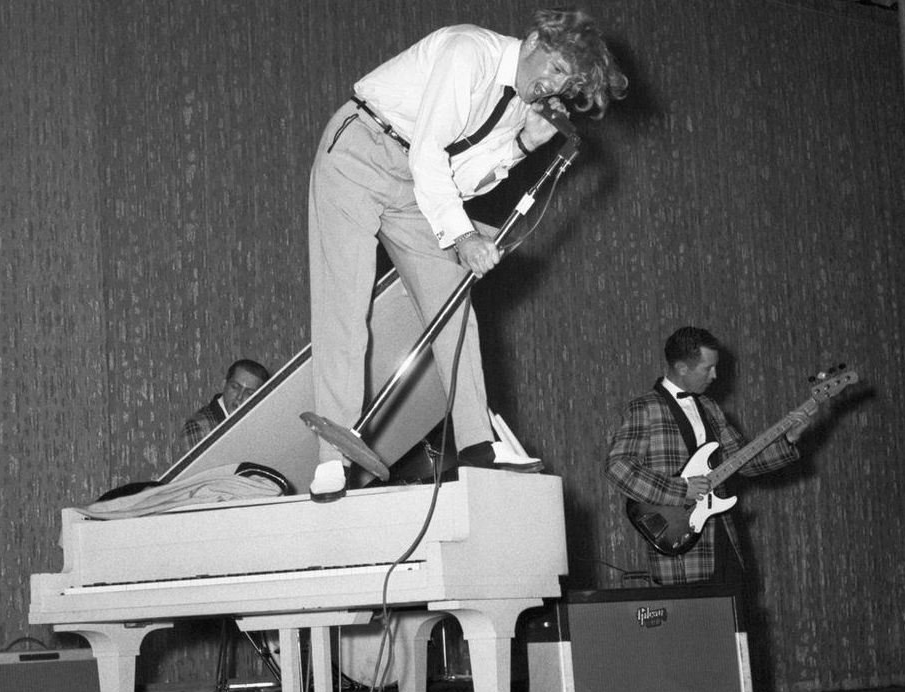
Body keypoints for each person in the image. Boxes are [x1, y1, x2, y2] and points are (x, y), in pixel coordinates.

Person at [307, 7, 628, 501]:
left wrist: (524, 143)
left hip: (415, 184)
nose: (555, 87)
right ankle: (333, 456)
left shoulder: (521, 104)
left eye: (567, 84)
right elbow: (429, 150)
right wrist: (462, 237)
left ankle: (477, 444)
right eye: (557, 68)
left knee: (453, 304)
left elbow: (464, 181)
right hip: (361, 148)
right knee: (345, 305)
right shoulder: (469, 51)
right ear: (535, 41)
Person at [603, 326, 814, 587]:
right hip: (680, 543)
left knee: (734, 611)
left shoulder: (711, 408)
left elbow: (744, 462)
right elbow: (618, 468)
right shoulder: (645, 408)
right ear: (682, 368)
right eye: (708, 368)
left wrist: (789, 438)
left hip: (723, 537)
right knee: (694, 613)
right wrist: (681, 489)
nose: (715, 375)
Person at [179, 359, 270, 452]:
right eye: (235, 387)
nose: (239, 397)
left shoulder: (262, 427)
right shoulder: (198, 426)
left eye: (249, 393)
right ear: (223, 385)